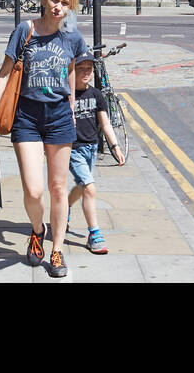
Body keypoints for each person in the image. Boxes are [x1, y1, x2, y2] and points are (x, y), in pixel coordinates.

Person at [0, 0, 89, 279]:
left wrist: (70, 103)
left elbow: (70, 68)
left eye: (65, 3)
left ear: (71, 7)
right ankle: (37, 229)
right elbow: (3, 75)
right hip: (26, 117)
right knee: (33, 189)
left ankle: (56, 250)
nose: (58, 7)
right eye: (55, 0)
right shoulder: (24, 31)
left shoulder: (73, 37)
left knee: (57, 188)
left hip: (58, 118)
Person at [67, 51, 124, 253]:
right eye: (80, 68)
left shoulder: (96, 94)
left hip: (91, 148)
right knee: (89, 187)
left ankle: (65, 206)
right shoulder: (66, 96)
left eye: (89, 69)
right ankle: (94, 234)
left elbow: (105, 123)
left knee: (83, 186)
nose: (85, 73)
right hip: (73, 149)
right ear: (71, 70)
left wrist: (115, 147)